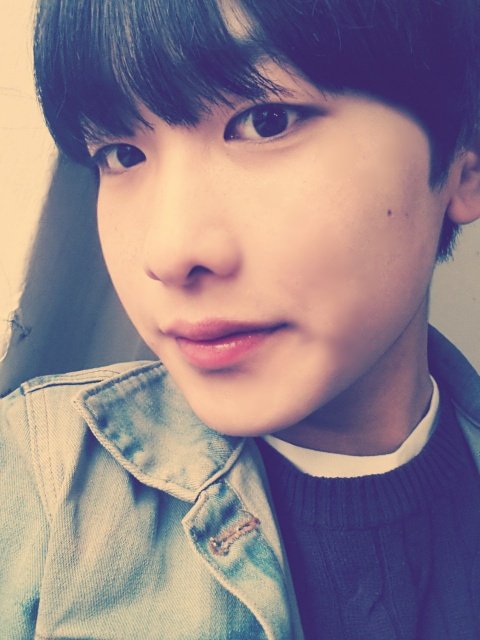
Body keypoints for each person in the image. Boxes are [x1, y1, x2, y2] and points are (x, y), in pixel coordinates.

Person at [1, 0, 480, 637]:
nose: (168, 253)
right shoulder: (38, 474)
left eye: (265, 120)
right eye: (120, 154)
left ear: (465, 163)